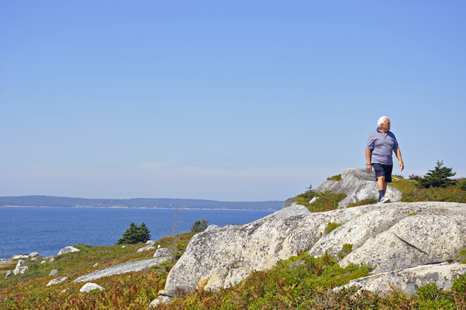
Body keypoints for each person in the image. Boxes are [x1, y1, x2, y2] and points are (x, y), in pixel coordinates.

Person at [365, 116, 404, 203]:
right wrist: (368, 163)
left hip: (388, 162)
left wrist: (400, 161)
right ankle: (382, 197)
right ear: (381, 124)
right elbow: (368, 149)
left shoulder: (392, 135)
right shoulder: (373, 134)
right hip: (377, 160)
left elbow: (396, 149)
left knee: (385, 181)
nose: (390, 125)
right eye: (388, 123)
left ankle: (380, 200)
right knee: (381, 177)